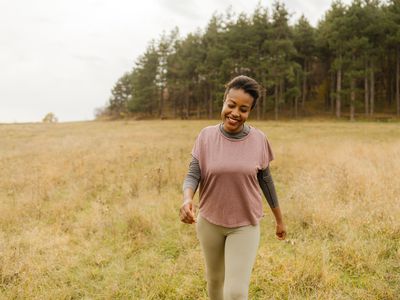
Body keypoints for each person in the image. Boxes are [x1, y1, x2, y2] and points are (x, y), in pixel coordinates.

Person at [179, 75, 286, 300]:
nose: (235, 113)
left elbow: (266, 182)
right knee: (216, 282)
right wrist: (187, 199)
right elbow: (193, 174)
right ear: (224, 102)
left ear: (250, 112)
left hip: (245, 225)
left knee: (235, 292)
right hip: (209, 223)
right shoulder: (206, 136)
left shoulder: (259, 140)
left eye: (243, 109)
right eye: (231, 105)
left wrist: (279, 220)